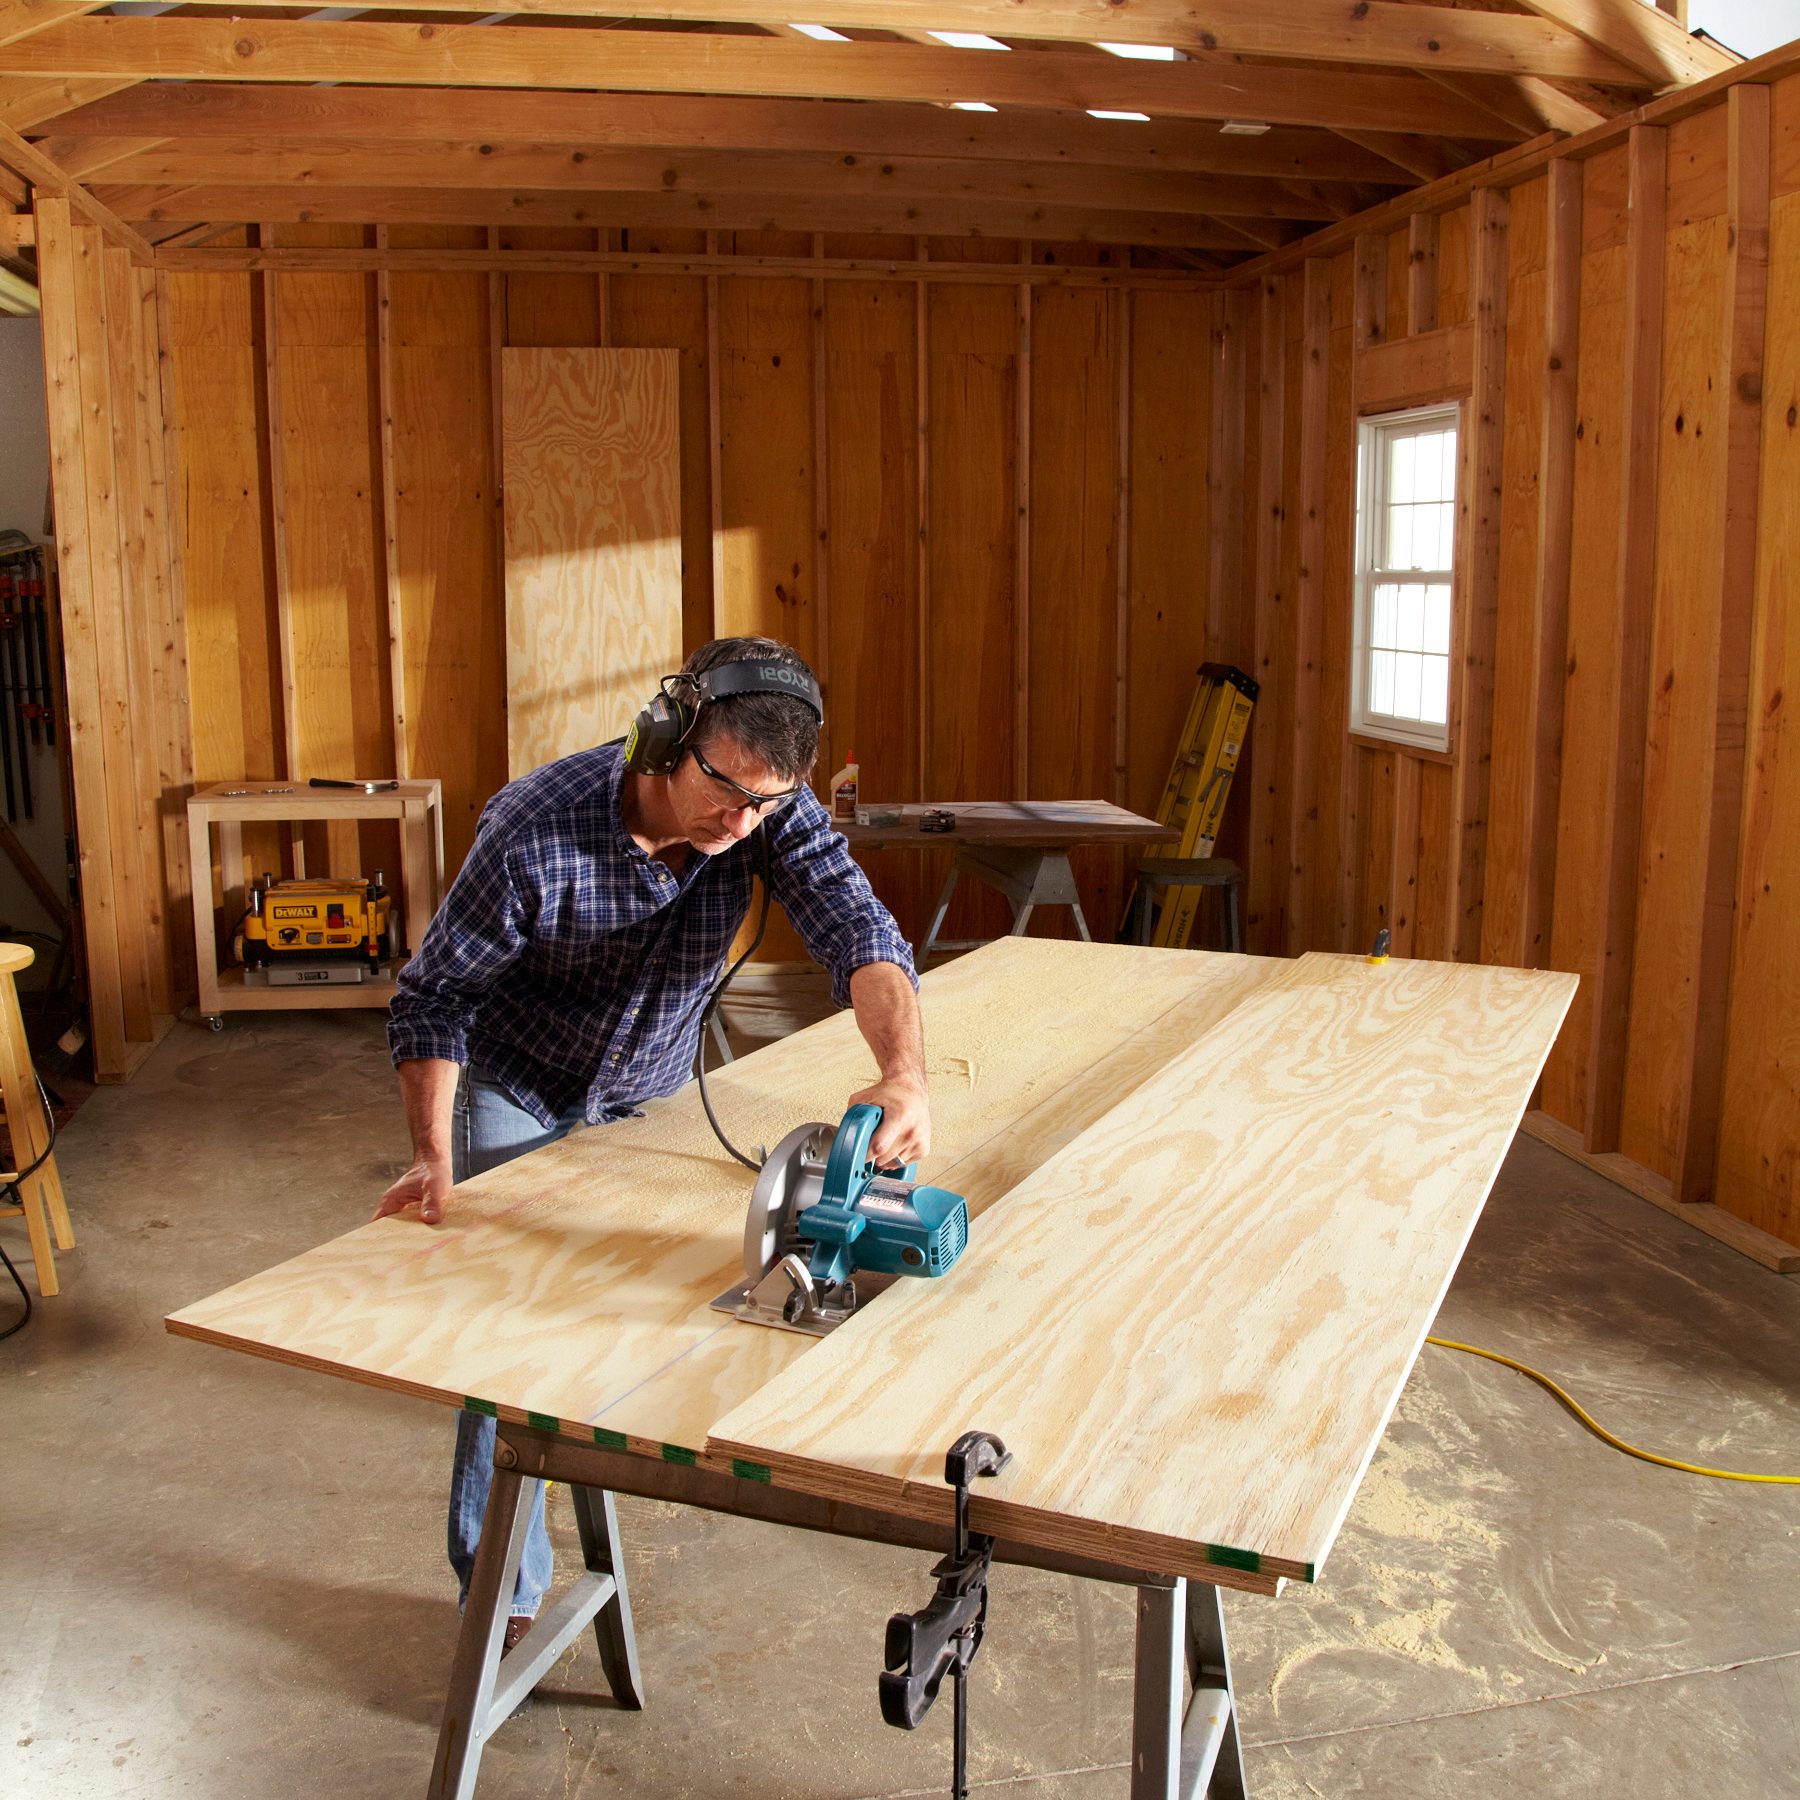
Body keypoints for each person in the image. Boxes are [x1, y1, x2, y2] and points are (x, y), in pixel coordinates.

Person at [376, 635, 929, 1649]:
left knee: (637, 1283)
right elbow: (436, 997)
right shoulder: (531, 830)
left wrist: (903, 1074)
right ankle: (499, 1586)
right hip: (516, 1084)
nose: (743, 822)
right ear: (665, 737)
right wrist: (429, 1149)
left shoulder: (760, 806)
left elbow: (861, 930)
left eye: (767, 803)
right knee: (507, 1327)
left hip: (648, 1085)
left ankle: (593, 1462)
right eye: (726, 792)